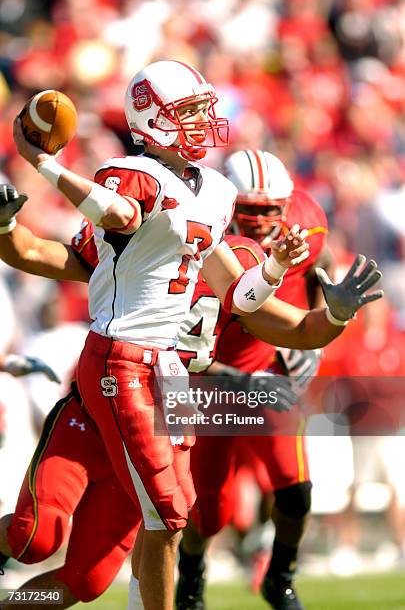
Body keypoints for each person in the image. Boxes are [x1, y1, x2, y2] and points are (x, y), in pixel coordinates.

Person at [0, 168, 381, 610]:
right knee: (35, 536)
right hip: (102, 406)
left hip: (161, 417)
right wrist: (7, 228)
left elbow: (292, 326)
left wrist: (334, 318)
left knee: (87, 580)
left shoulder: (235, 261)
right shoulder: (137, 239)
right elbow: (35, 253)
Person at [11, 59, 314, 610]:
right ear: (153, 118)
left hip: (171, 369)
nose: (203, 121)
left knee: (114, 560)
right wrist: (42, 163)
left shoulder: (217, 192)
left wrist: (273, 270)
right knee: (53, 535)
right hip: (122, 360)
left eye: (203, 110)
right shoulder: (131, 172)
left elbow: (239, 297)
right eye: (190, 112)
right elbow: (118, 213)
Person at [172, 149, 349, 610]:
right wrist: (226, 375)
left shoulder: (306, 219)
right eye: (249, 210)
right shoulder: (201, 233)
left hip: (269, 370)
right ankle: (191, 576)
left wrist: (317, 331)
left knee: (296, 490)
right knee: (210, 510)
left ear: (287, 204)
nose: (260, 220)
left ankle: (282, 577)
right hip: (205, 379)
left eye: (271, 210)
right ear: (230, 203)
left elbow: (320, 262)